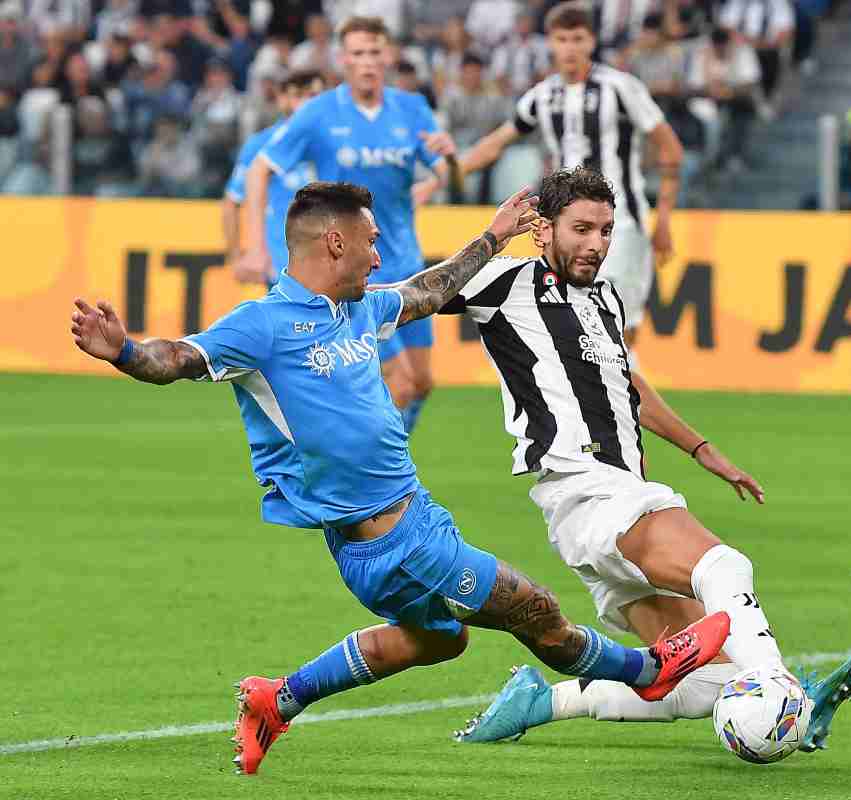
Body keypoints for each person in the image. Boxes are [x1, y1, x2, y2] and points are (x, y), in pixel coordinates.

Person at [69, 181, 730, 776]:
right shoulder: (262, 327)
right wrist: (125, 352)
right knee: (537, 611)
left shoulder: (357, 308)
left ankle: (280, 697)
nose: (379, 257)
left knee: (439, 640)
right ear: (335, 241)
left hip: (408, 523)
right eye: (370, 242)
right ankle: (651, 670)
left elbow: (432, 289)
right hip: (395, 544)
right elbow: (178, 357)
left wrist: (495, 236)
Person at [423, 166, 851, 749]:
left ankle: (541, 702)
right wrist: (490, 238)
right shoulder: (505, 283)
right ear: (543, 230)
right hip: (585, 485)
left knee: (699, 681)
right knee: (725, 567)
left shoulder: (605, 298)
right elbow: (419, 295)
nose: (597, 244)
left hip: (608, 499)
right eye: (582, 229)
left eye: (606, 230)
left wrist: (702, 449)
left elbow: (628, 388)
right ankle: (783, 687)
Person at [242, 16, 456, 433]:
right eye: (357, 53)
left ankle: (372, 469)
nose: (367, 61)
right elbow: (258, 170)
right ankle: (365, 475)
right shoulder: (318, 113)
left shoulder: (412, 109)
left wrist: (447, 162)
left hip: (408, 264)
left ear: (388, 55)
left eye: (375, 52)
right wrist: (254, 246)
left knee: (423, 382)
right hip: (353, 270)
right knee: (400, 381)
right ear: (343, 59)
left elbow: (451, 173)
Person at [455, 1, 684, 350]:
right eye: (562, 39)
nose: (570, 47)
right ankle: (600, 402)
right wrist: (440, 176)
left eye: (577, 38)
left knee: (619, 324)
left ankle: (622, 400)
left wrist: (663, 219)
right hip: (564, 225)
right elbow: (495, 143)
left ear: (591, 42)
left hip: (620, 223)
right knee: (577, 323)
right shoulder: (542, 96)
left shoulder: (620, 88)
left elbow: (670, 148)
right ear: (550, 43)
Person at [223, 68, 326, 288]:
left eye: (316, 96)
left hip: (335, 267)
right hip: (283, 268)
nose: (309, 104)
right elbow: (232, 201)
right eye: (300, 95)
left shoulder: (335, 141)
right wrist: (237, 256)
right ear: (283, 100)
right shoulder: (262, 145)